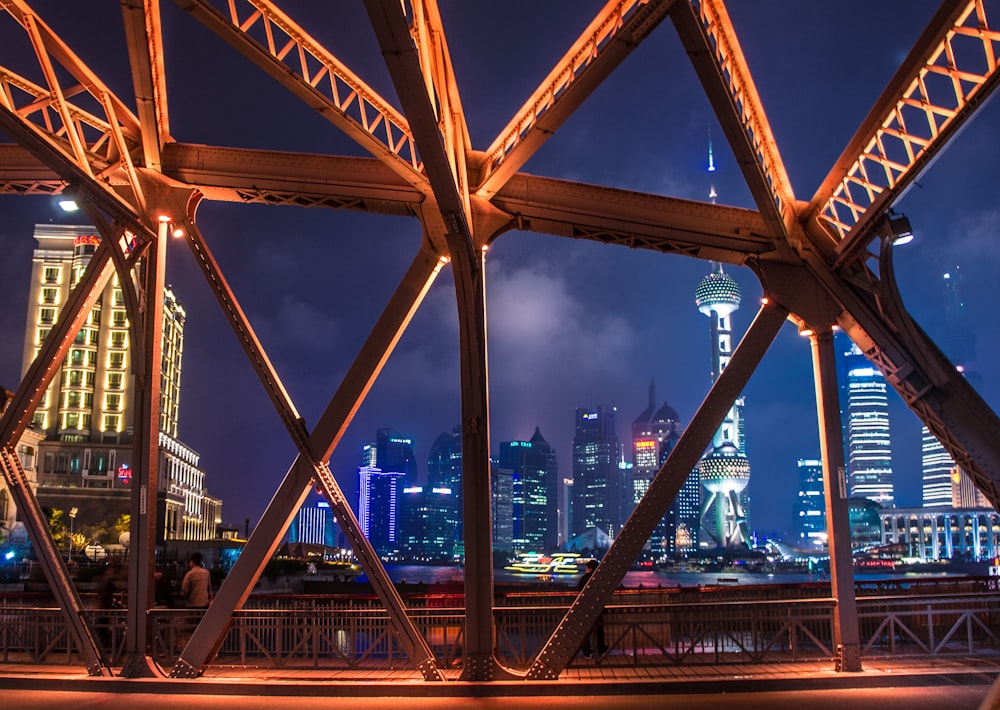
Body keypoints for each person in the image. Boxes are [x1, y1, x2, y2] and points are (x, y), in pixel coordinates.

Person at [576, 559, 607, 658]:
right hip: (597, 608)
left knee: (585, 632)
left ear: (589, 568)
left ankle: (587, 652)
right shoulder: (600, 579)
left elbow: (578, 590)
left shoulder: (584, 579)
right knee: (599, 630)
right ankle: (600, 650)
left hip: (585, 608)